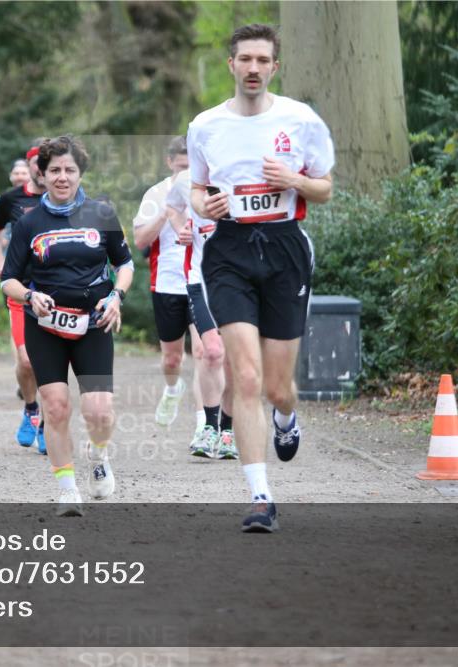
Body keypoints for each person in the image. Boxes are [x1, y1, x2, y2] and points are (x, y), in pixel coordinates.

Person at [188, 23, 334, 532]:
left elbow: (325, 188)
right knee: (244, 376)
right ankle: (260, 496)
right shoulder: (205, 125)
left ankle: (286, 418)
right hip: (227, 249)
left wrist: (293, 180)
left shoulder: (301, 120)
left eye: (261, 60)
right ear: (231, 65)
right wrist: (205, 204)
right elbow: (196, 189)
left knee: (277, 386)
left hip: (284, 248)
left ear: (274, 67)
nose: (252, 68)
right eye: (244, 59)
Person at [0, 136, 134, 516]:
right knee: (56, 408)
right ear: (41, 174)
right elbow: (8, 278)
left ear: (80, 174)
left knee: (99, 412)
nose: (62, 177)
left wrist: (116, 297)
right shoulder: (29, 223)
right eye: (54, 170)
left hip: (93, 322)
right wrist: (28, 296)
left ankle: (98, 453)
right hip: (44, 325)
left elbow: (124, 265)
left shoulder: (101, 213)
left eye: (69, 170)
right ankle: (67, 489)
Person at [164, 169, 236, 460]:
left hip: (238, 283)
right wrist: (182, 227)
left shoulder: (240, 172)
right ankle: (208, 426)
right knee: (212, 352)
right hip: (199, 281)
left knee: (231, 358)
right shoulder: (185, 180)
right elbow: (172, 207)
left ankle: (228, 430)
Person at [132, 137, 196, 429]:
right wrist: (166, 211)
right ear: (169, 162)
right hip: (167, 283)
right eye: (180, 166)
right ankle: (172, 389)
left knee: (209, 353)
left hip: (202, 281)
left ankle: (206, 423)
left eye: (190, 166)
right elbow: (140, 240)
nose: (185, 172)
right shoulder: (155, 194)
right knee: (172, 360)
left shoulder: (205, 191)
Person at [0, 143, 47, 452]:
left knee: (52, 361)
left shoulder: (68, 198)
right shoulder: (12, 199)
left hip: (59, 290)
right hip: (21, 287)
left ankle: (49, 422)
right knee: (25, 360)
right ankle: (31, 409)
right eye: (38, 163)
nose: (42, 169)